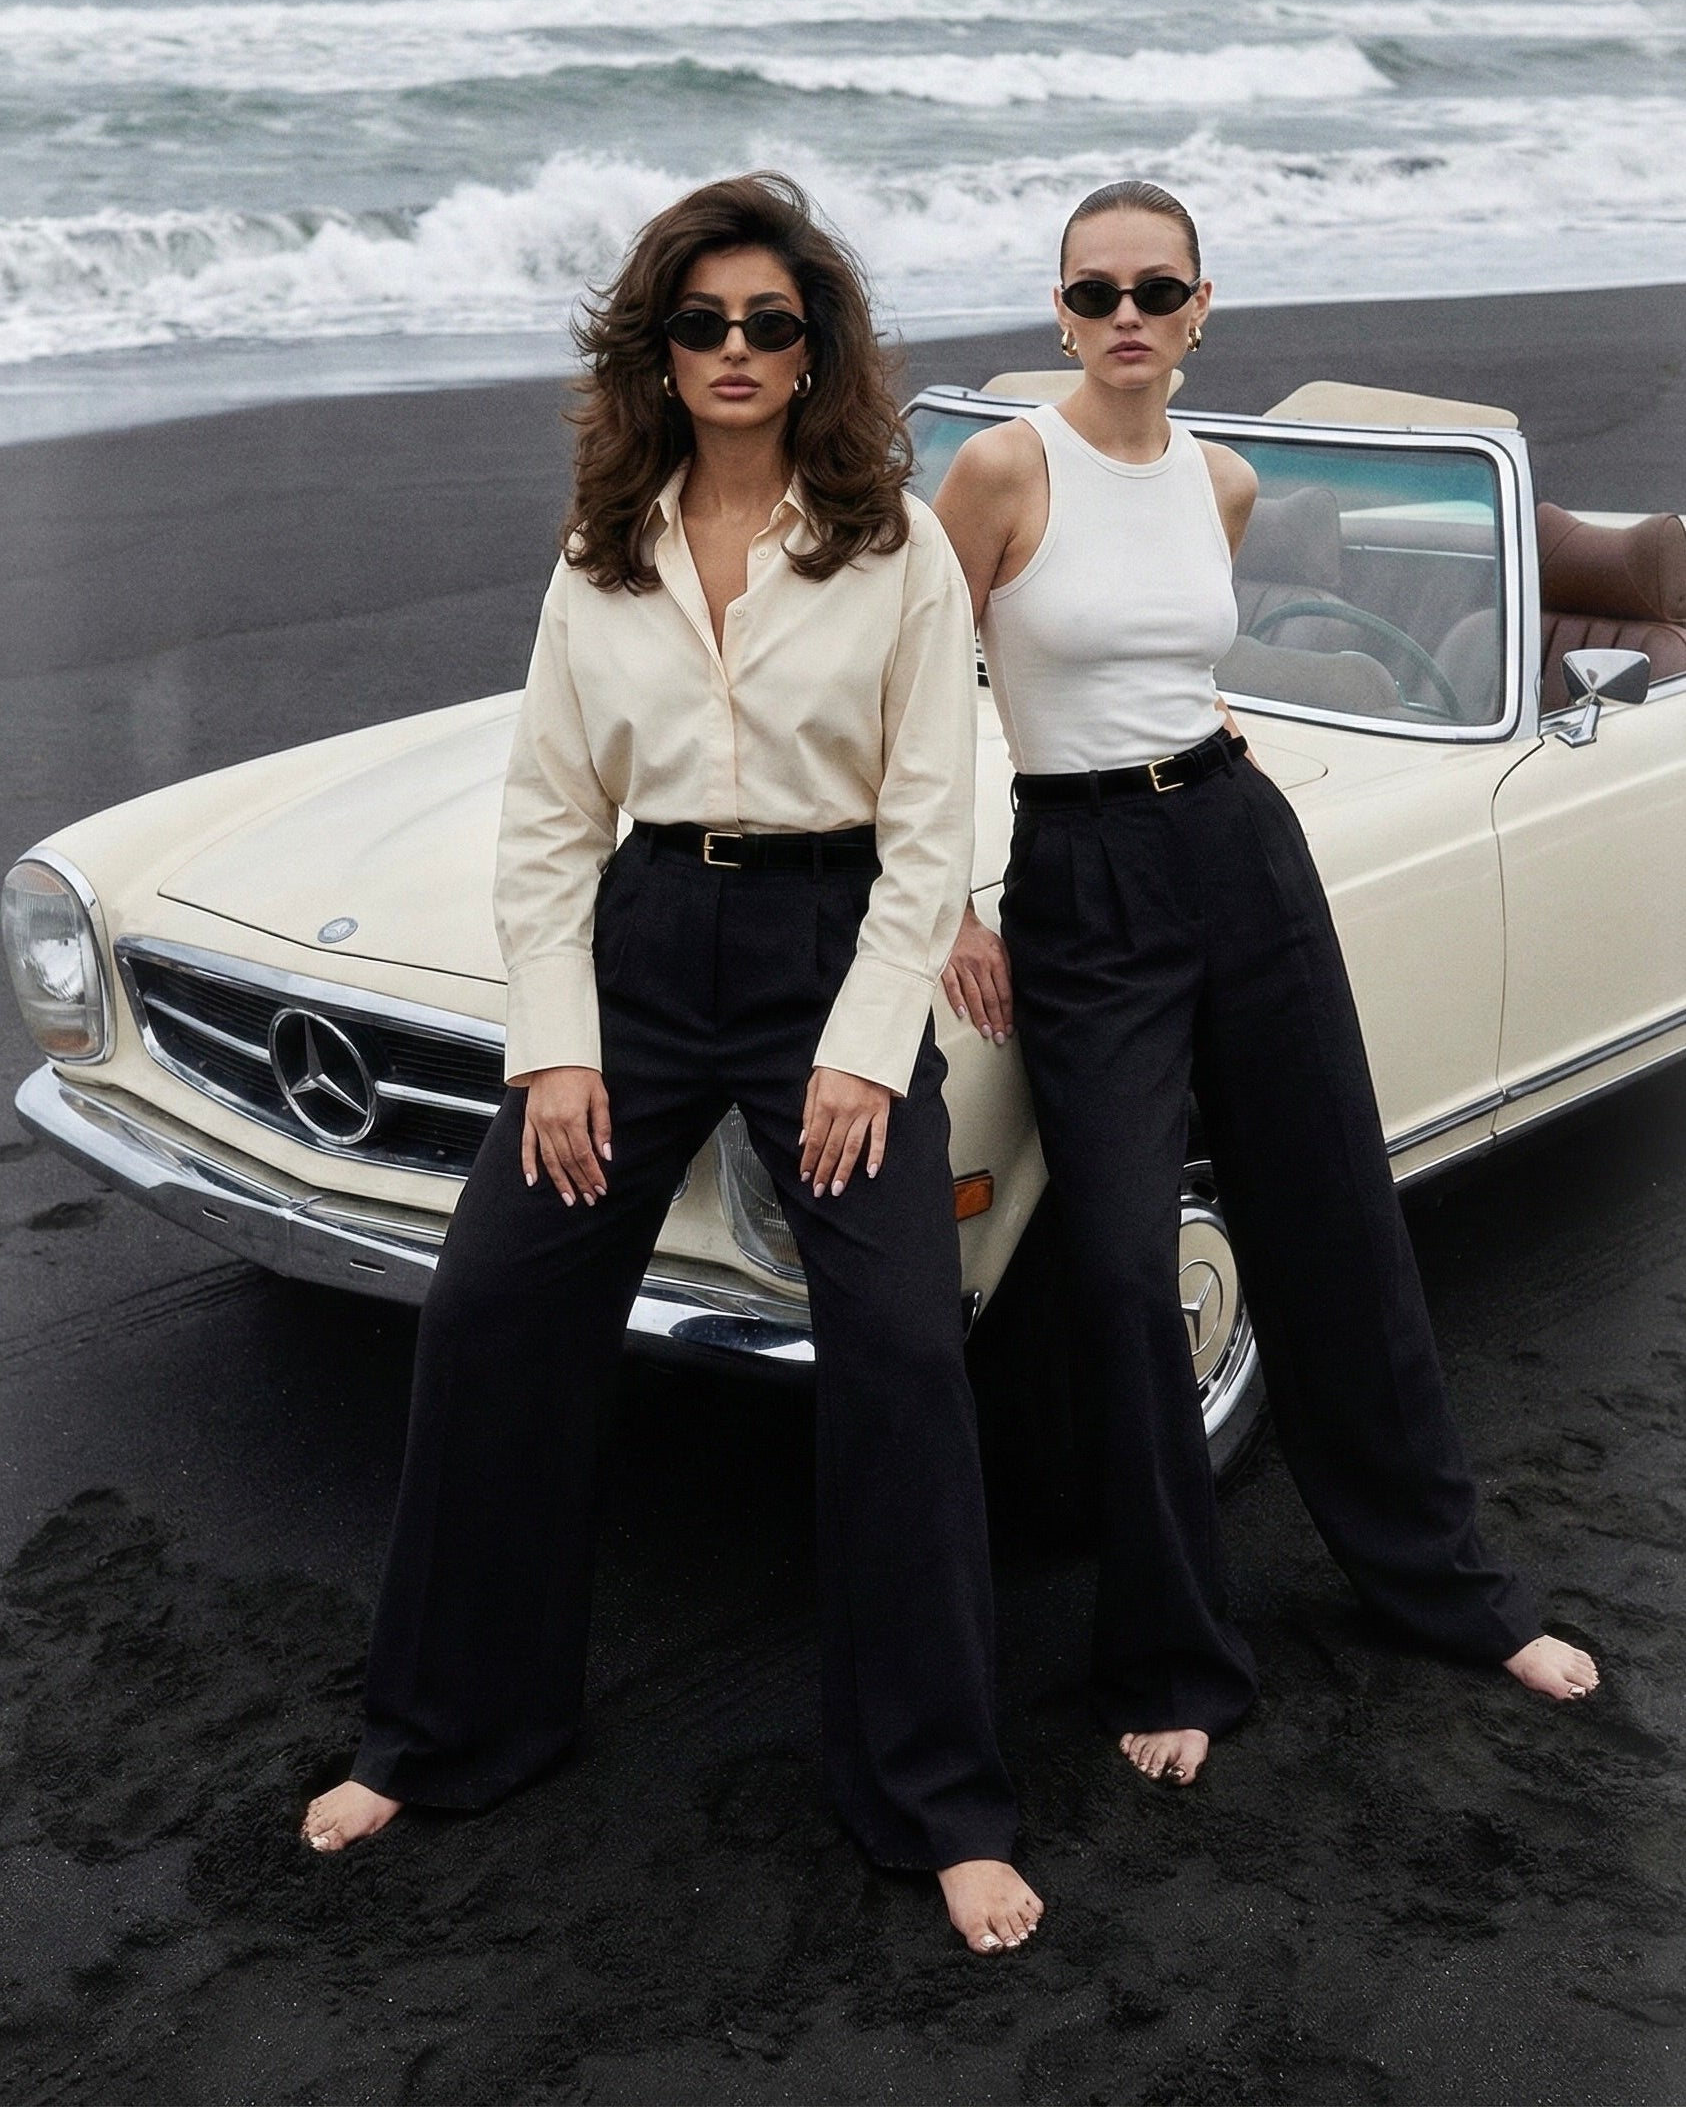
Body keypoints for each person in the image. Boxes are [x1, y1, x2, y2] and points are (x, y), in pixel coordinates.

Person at [302, 173, 1042, 1954]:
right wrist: (556, 1048)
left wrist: (866, 1053)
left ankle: (933, 1796)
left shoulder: (897, 547)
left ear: (815, 353)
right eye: (701, 323)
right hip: (637, 952)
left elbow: (932, 829)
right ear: (658, 345)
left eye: (768, 325)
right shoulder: (603, 538)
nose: (734, 350)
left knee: (894, 1350)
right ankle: (452, 1725)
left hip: (826, 950)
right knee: (491, 1312)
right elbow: (552, 815)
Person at [934, 178, 1599, 1787]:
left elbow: (1184, 671)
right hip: (1079, 881)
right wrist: (945, 905)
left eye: (1155, 291)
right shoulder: (1002, 468)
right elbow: (915, 685)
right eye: (1094, 295)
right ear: (1059, 311)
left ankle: (1441, 1591)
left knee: (1334, 1221)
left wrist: (1207, 772)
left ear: (1202, 304)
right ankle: (1168, 1652)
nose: (1126, 322)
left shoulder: (1223, 481)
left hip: (1237, 845)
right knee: (1114, 1265)